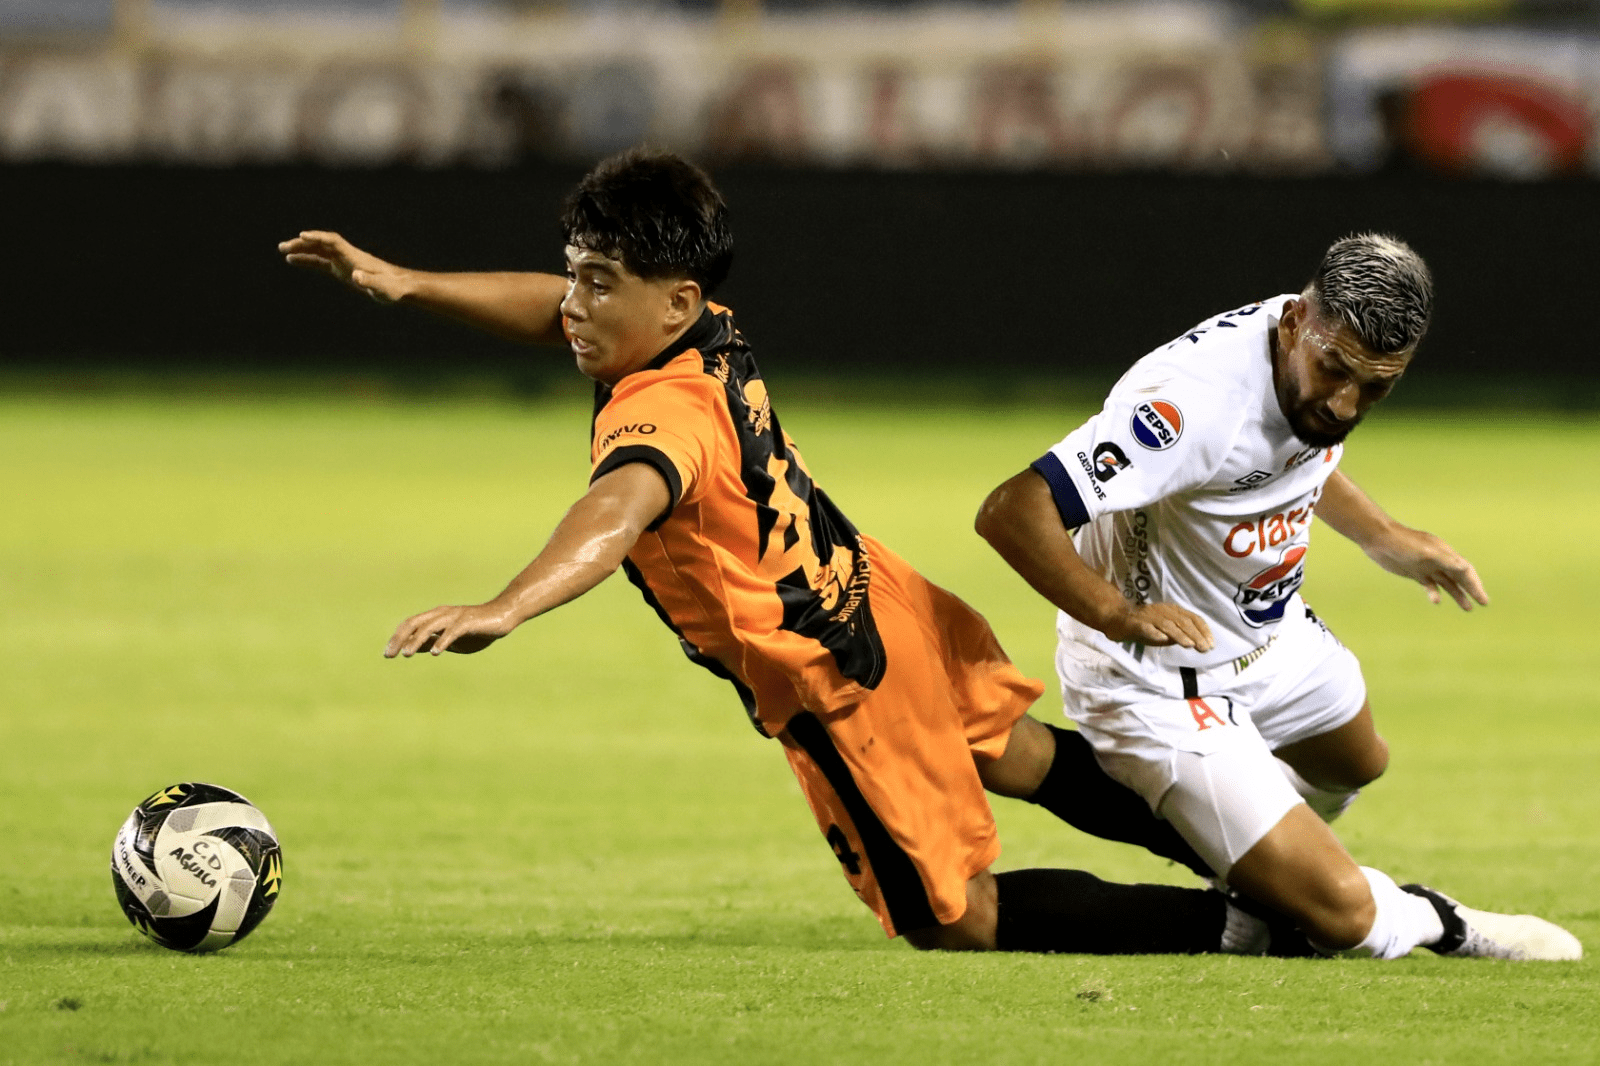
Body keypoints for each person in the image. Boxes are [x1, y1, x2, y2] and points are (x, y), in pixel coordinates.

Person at [280, 148, 1298, 957]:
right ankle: (1288, 860)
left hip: (829, 674)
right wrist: (403, 282)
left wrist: (505, 604)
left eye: (598, 283)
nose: (574, 304)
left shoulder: (662, 414)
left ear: (669, 300)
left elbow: (615, 511)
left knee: (952, 915)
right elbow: (548, 310)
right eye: (577, 278)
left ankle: (1252, 923)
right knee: (1023, 754)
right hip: (882, 595)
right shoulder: (704, 325)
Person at [976, 234, 1582, 961]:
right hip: (1161, 675)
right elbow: (1013, 509)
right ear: (1297, 322)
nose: (1347, 403)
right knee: (1347, 922)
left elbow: (1292, 457)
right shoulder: (1191, 408)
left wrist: (1382, 536)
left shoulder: (1313, 346)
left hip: (1271, 634)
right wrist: (1115, 613)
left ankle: (1260, 867)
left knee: (1357, 761)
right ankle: (1428, 917)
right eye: (1337, 372)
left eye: (1378, 387)